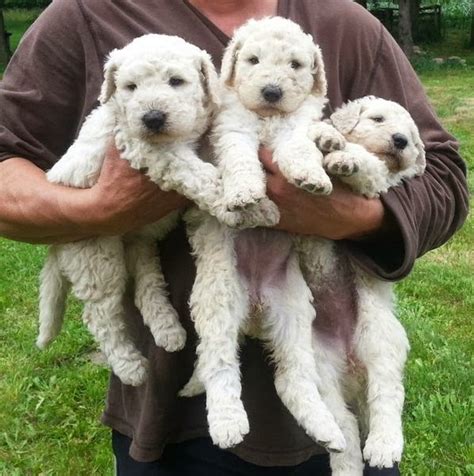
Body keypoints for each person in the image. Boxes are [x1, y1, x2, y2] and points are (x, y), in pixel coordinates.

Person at [0, 0, 468, 475]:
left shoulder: (346, 24)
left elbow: (443, 177)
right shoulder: (87, 14)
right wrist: (100, 208)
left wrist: (342, 214)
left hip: (334, 414)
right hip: (168, 419)